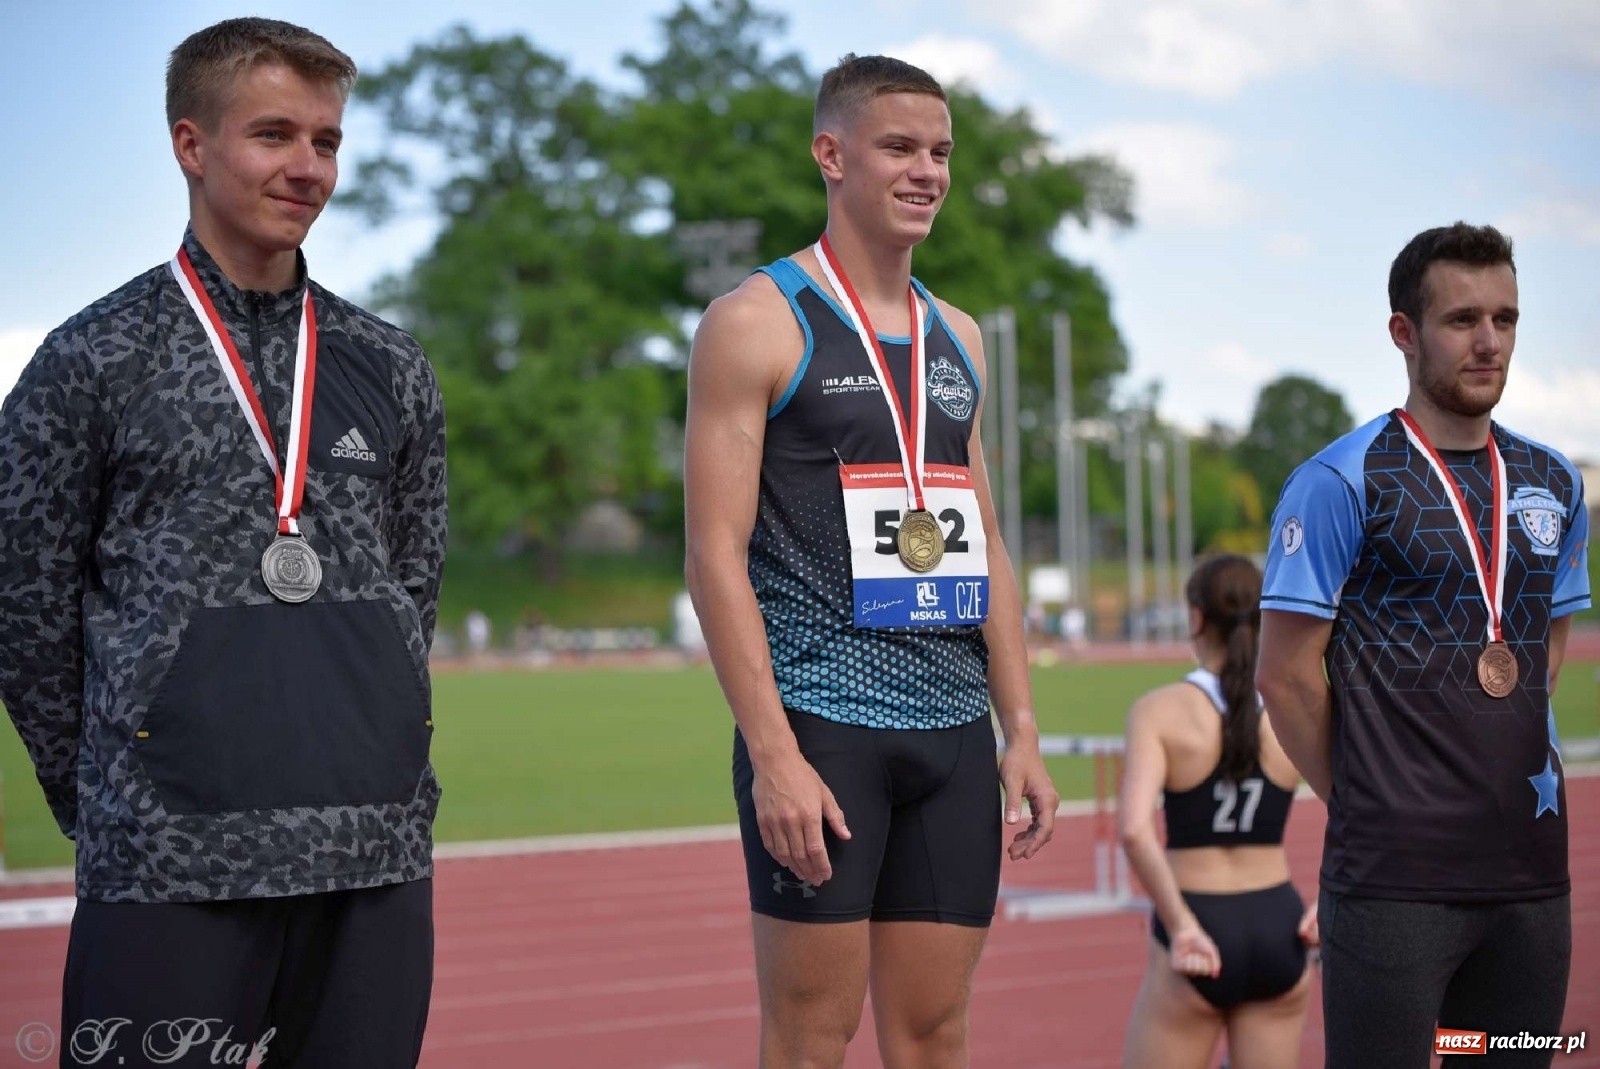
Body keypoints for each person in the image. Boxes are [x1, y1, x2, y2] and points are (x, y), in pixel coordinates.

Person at [0, 18, 447, 1068]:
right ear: (191, 144)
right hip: (168, 859)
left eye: (327, 141)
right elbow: (22, 604)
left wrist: (373, 729)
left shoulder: (391, 367)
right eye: (275, 134)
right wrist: (121, 782)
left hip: (368, 847)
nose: (306, 168)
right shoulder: (92, 359)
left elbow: (409, 588)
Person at [683, 53, 1059, 1068]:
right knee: (812, 1035)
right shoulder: (755, 322)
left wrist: (1019, 728)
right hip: (824, 727)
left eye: (939, 151)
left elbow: (983, 541)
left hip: (951, 735)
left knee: (935, 1035)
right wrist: (772, 753)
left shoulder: (961, 338)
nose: (925, 170)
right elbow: (713, 551)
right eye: (899, 146)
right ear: (831, 153)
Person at [1256, 222, 1589, 1068]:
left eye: (1506, 319)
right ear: (1404, 331)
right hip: (1394, 890)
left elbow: (1542, 653)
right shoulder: (1342, 479)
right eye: (1463, 319)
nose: (1489, 342)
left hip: (1528, 884)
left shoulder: (1554, 481)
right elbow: (1286, 677)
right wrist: (1370, 798)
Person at [1118, 554, 1318, 1069]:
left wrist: (1181, 925)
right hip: (1282, 924)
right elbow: (1365, 808)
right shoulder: (1293, 708)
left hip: (1199, 923)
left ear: (1196, 618)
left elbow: (1136, 831)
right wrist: (1330, 901)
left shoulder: (1160, 711)